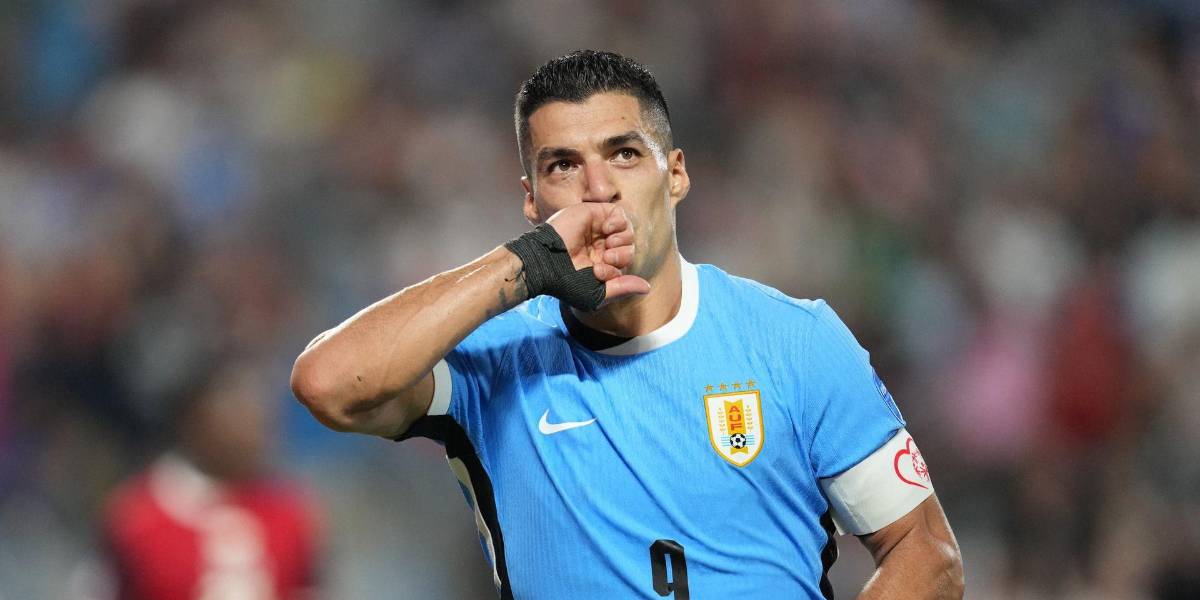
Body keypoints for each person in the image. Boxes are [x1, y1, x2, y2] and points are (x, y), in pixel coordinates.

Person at [291, 50, 963, 599]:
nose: (598, 188)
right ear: (531, 200)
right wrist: (526, 264)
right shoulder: (490, 359)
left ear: (676, 175)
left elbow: (926, 552)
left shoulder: (796, 341)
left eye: (624, 154)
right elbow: (327, 384)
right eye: (562, 166)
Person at [105, 359, 322, 600]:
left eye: (258, 404)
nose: (253, 419)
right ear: (192, 417)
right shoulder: (138, 517)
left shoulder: (290, 513)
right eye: (236, 405)